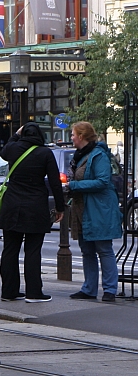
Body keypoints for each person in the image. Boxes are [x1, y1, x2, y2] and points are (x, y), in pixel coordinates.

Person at [0, 122, 65, 303]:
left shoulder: (13, 149)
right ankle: (34, 292)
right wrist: (60, 207)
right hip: (35, 207)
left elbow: (3, 152)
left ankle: (9, 291)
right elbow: (55, 182)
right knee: (33, 251)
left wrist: (16, 134)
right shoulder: (45, 153)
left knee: (10, 250)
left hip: (12, 206)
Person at [66, 121, 122, 302]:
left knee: (103, 249)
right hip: (83, 209)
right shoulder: (82, 155)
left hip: (98, 209)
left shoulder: (98, 155)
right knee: (87, 250)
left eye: (73, 134)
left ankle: (110, 290)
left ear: (81, 136)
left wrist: (73, 185)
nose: (72, 137)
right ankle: (89, 288)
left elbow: (103, 181)